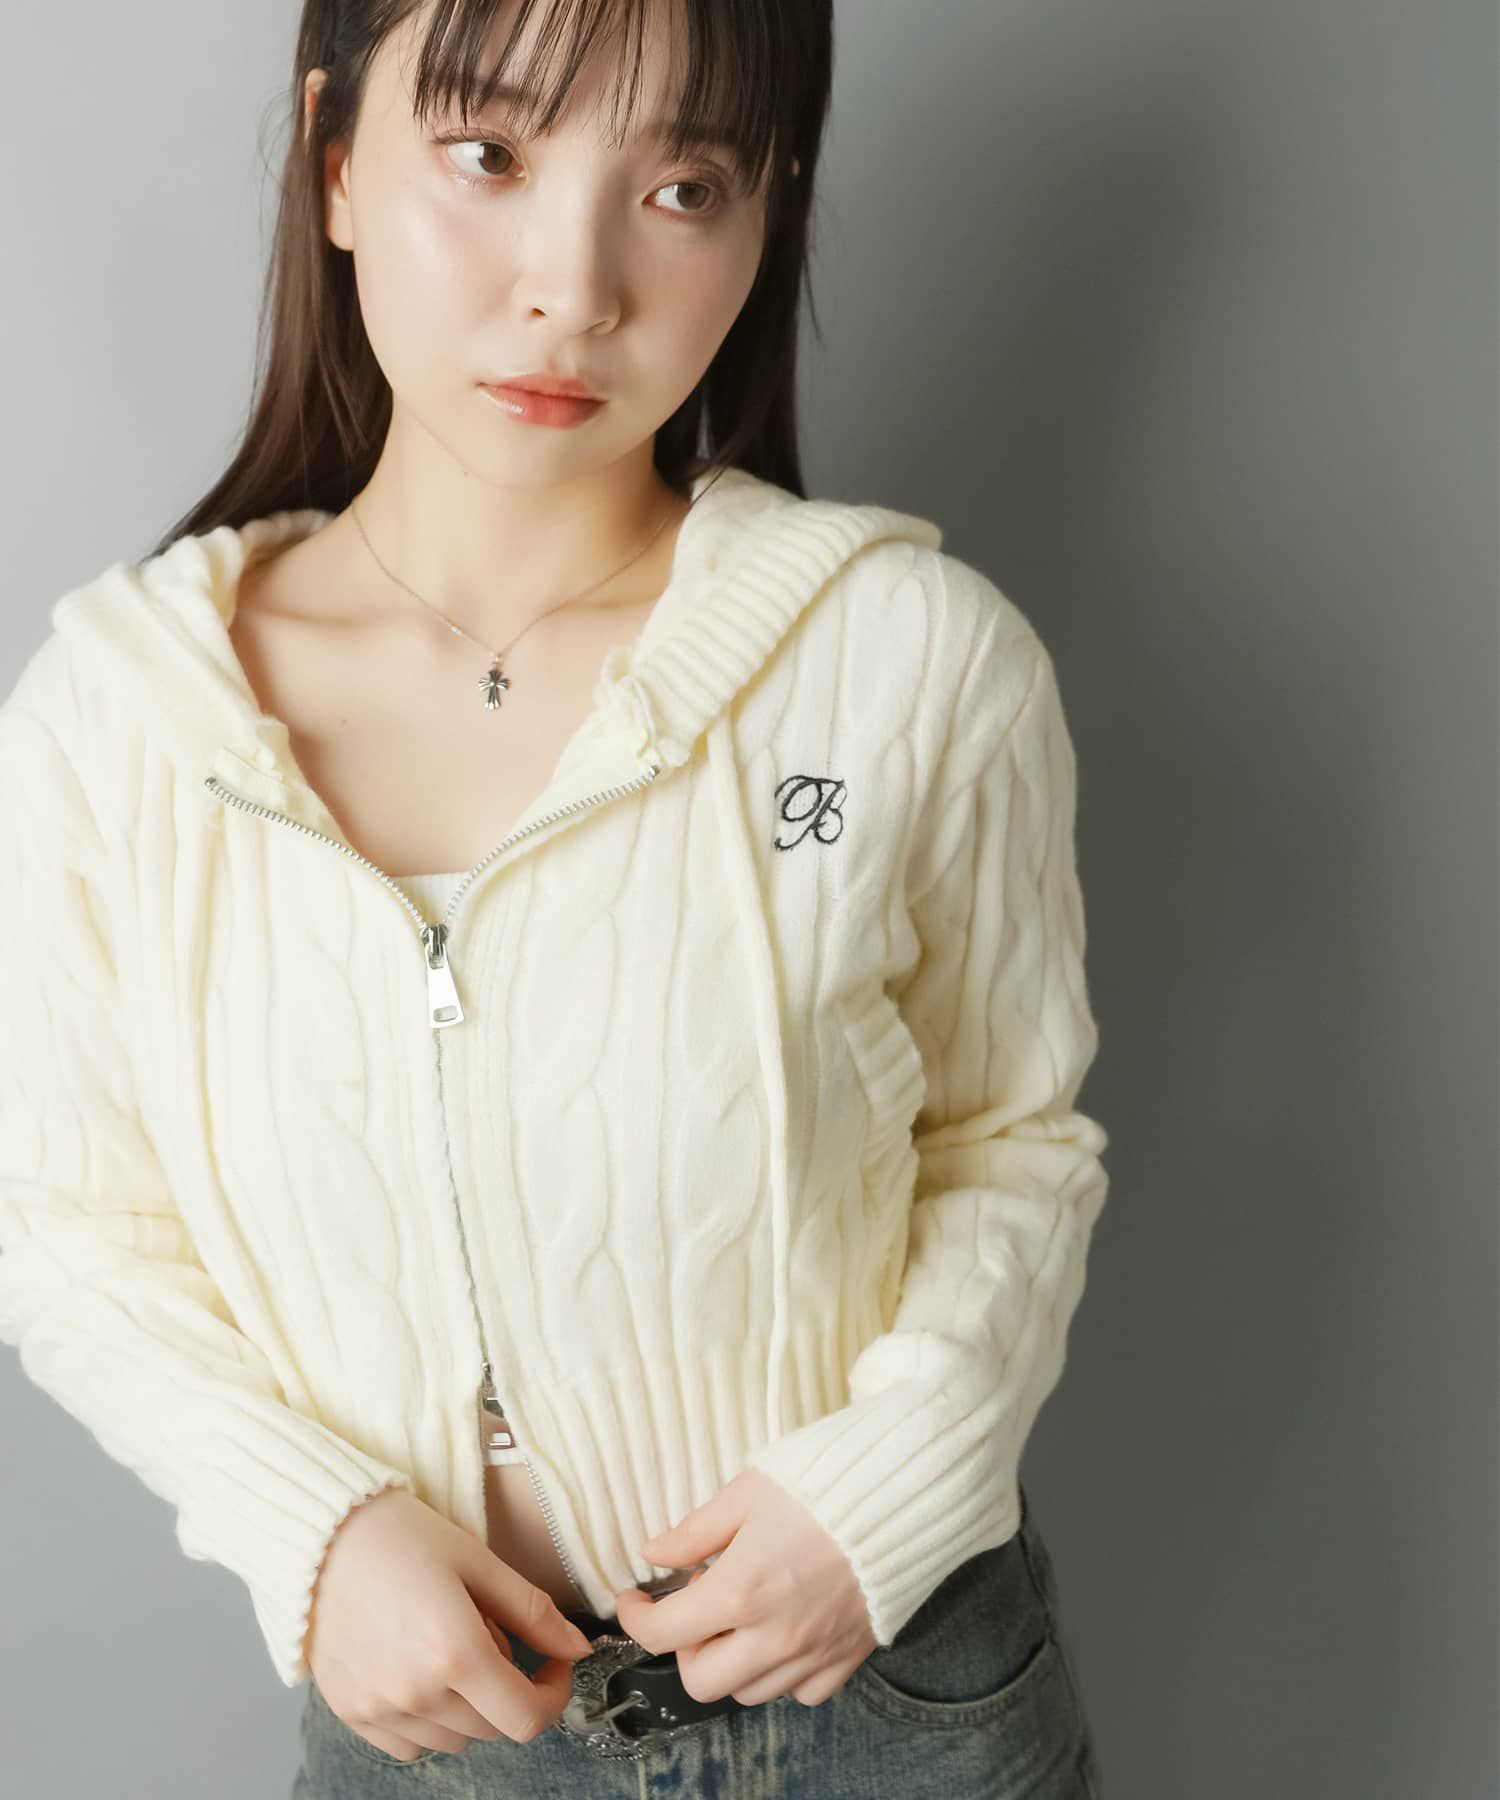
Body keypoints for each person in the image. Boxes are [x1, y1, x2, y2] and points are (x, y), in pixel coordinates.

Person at [0, 0, 1109, 1793]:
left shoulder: (908, 662)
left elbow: (1009, 1139)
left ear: (768, 214)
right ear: (337, 159)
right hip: (440, 1733)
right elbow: (68, 1225)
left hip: (895, 1697)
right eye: (489, 154)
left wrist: (885, 1486)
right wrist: (312, 1529)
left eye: (683, 188)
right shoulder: (120, 720)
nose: (574, 288)